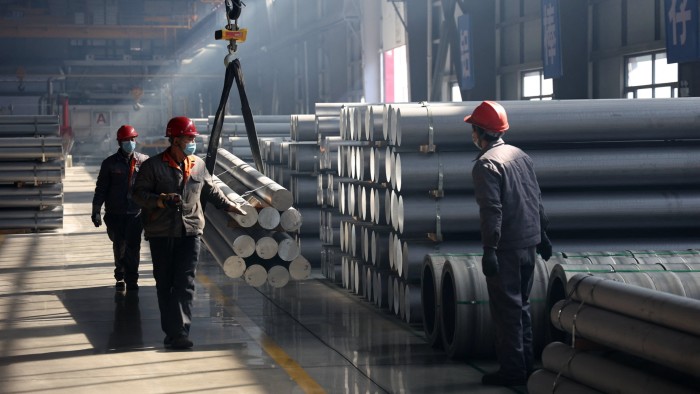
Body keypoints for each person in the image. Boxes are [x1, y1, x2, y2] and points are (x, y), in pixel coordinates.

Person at [132, 116, 246, 350]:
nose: (192, 142)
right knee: (165, 283)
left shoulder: (199, 164)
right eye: (188, 138)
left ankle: (180, 332)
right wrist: (161, 201)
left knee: (185, 282)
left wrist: (232, 207)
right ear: (175, 140)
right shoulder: (152, 166)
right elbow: (138, 194)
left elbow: (212, 191)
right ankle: (171, 331)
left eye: (193, 138)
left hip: (190, 231)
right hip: (161, 233)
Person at [465, 101, 552, 386]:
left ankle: (512, 371)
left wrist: (490, 249)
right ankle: (526, 366)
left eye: (473, 129)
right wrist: (544, 235)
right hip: (529, 242)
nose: (473, 135)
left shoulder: (486, 164)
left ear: (481, 131)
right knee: (521, 307)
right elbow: (535, 197)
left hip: (507, 248)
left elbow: (492, 210)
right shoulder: (519, 155)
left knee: (506, 312)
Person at [92, 125, 149, 291]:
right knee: (119, 245)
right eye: (126, 140)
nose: (130, 143)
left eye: (132, 139)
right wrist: (96, 210)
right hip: (115, 214)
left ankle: (132, 279)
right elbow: (101, 189)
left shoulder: (143, 161)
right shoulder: (109, 164)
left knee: (133, 246)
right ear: (119, 142)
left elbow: (151, 186)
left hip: (135, 214)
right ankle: (120, 275)